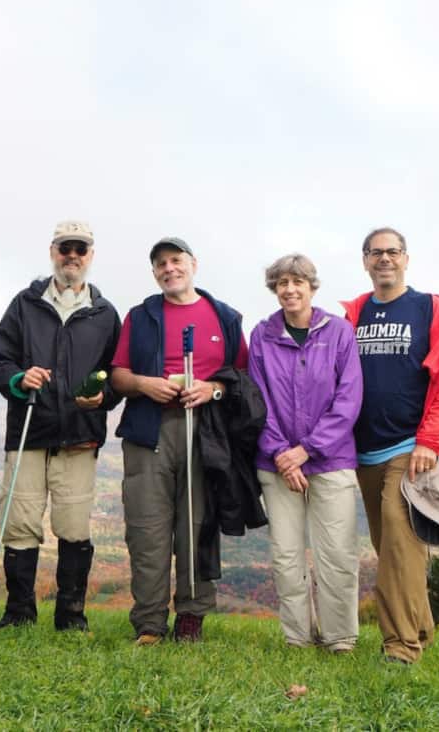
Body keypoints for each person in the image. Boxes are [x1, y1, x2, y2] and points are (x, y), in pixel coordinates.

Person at [110, 237, 251, 644]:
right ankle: (150, 623)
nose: (169, 268)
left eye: (176, 260)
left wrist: (213, 390)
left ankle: (191, 616)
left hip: (206, 432)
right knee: (147, 529)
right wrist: (143, 384)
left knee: (198, 525)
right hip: (148, 431)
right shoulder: (140, 317)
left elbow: (241, 378)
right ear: (154, 273)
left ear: (193, 264)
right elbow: (118, 375)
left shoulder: (225, 317)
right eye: (161, 264)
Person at [341, 227, 439, 665]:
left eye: (392, 251)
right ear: (365, 261)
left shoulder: (429, 309)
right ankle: (422, 628)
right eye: (375, 252)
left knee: (399, 542)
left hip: (409, 448)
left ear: (406, 259)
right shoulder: (354, 314)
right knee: (394, 548)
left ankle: (401, 647)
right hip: (363, 452)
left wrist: (430, 440)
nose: (384, 259)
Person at [0, 221, 121, 631]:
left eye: (80, 249)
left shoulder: (105, 314)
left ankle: (71, 616)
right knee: (19, 524)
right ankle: (19, 613)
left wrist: (103, 397)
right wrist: (18, 378)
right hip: (28, 431)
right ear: (53, 252)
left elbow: (117, 374)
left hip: (80, 436)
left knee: (74, 526)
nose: (72, 256)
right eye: (65, 248)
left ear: (91, 255)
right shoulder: (24, 304)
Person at [248, 254, 363, 653]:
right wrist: (283, 454)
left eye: (297, 281)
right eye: (282, 282)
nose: (289, 289)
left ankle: (339, 638)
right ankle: (297, 637)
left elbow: (348, 399)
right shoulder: (262, 335)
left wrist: (307, 451)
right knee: (286, 556)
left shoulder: (339, 333)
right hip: (277, 464)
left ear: (312, 287)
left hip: (331, 461)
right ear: (274, 289)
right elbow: (258, 401)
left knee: (337, 554)